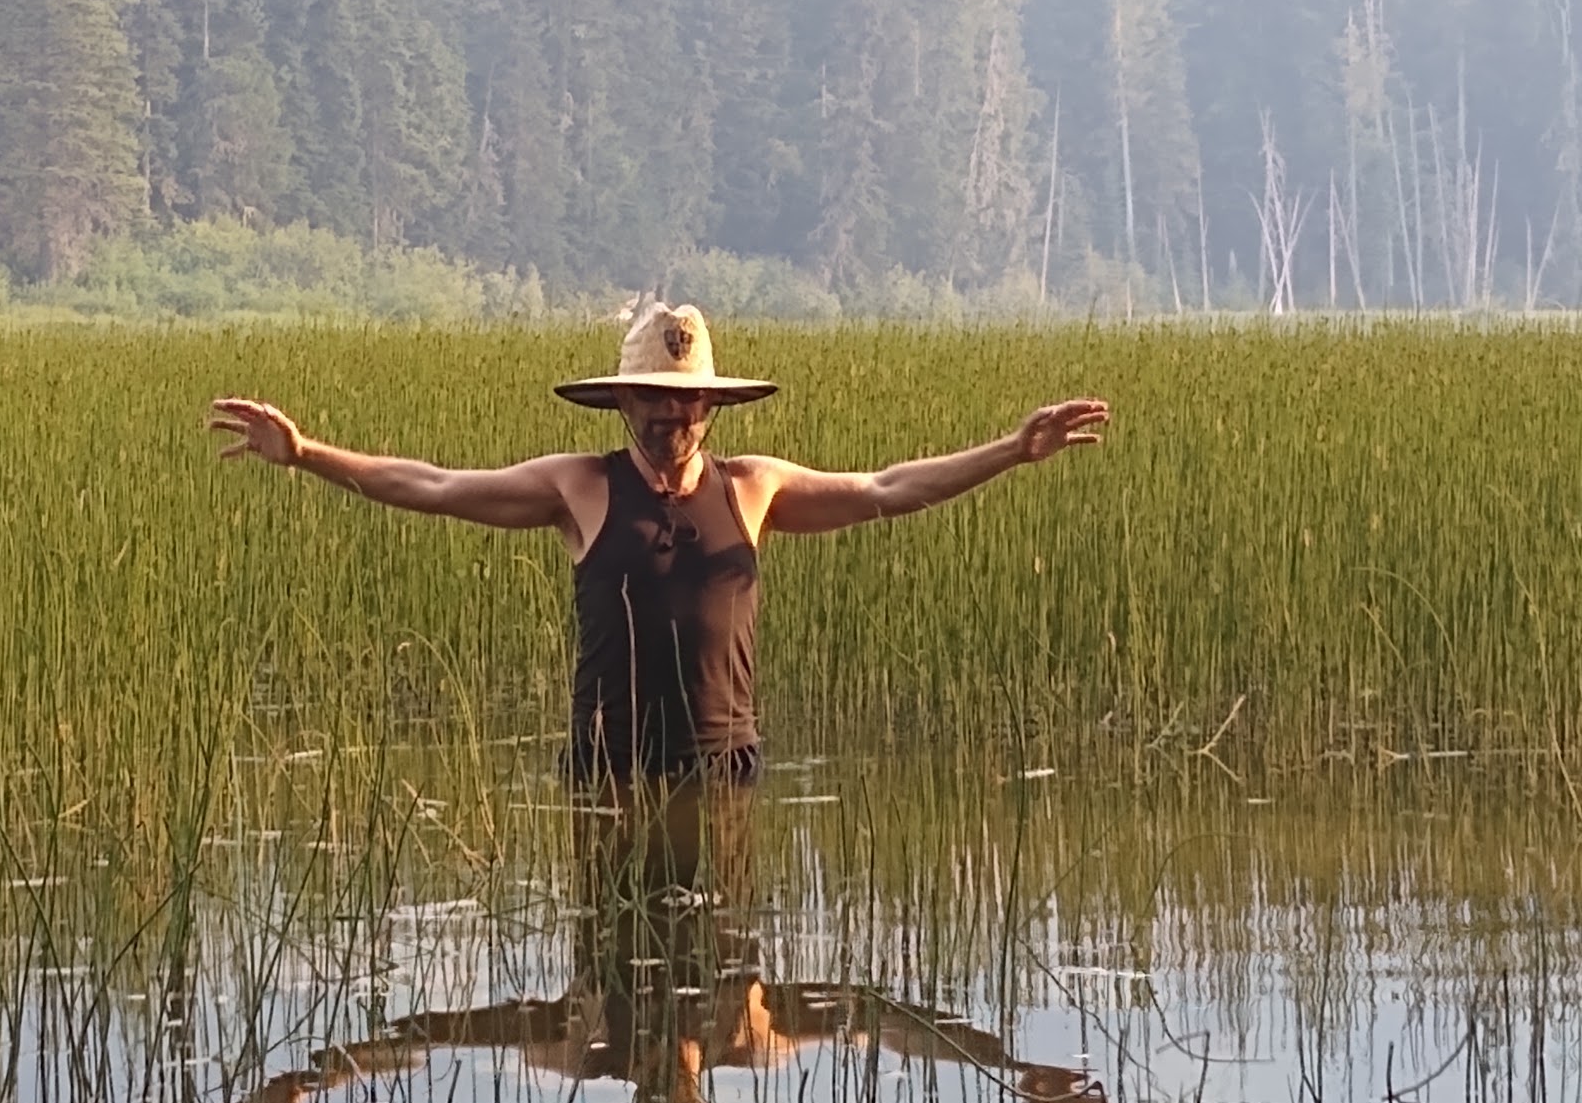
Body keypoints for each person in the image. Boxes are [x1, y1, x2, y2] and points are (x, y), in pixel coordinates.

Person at [208, 298, 1108, 788]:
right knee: (616, 974)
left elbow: (887, 489)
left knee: (720, 986)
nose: (670, 414)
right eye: (651, 398)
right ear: (623, 402)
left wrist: (1012, 453)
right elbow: (437, 487)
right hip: (605, 776)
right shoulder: (580, 487)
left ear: (710, 405)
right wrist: (306, 455)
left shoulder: (756, 488)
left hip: (725, 772)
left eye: (685, 400)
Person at [225, 776, 1108, 1103]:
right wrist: (1008, 1062)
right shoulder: (753, 1035)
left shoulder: (581, 1048)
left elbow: (439, 1035)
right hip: (647, 829)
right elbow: (884, 1021)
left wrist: (317, 1075)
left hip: (659, 826)